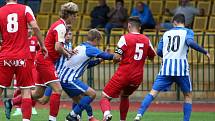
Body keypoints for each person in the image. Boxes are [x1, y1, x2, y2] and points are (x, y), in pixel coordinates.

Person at [3, 2, 78, 121]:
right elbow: (57, 47)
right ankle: (52, 120)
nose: (76, 17)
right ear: (69, 14)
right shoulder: (61, 27)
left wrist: (68, 51)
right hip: (45, 60)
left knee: (38, 94)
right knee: (57, 89)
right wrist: (68, 54)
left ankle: (11, 102)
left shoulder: (59, 25)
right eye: (75, 15)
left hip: (40, 59)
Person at [134, 14, 210, 121]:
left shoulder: (166, 34)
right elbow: (190, 42)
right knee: (187, 95)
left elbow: (159, 51)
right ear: (184, 22)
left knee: (153, 92)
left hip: (166, 68)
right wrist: (204, 51)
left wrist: (169, 56)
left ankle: (139, 114)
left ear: (174, 22)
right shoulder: (188, 31)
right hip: (181, 70)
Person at [100, 16, 156, 121]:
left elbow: (117, 57)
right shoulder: (146, 40)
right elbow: (152, 56)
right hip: (137, 77)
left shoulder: (125, 38)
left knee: (104, 97)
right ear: (140, 27)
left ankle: (107, 114)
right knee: (125, 96)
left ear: (129, 26)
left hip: (124, 74)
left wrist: (114, 60)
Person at [0, 0, 47, 121]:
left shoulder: (0, 11)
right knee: (26, 92)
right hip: (23, 56)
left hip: (6, 56)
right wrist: (42, 45)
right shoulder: (25, 8)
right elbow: (35, 26)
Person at [56, 29, 115, 121]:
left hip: (63, 78)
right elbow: (106, 56)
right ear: (95, 39)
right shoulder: (90, 48)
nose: (98, 43)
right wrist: (115, 56)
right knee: (92, 94)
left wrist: (100, 60)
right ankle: (72, 116)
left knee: (80, 100)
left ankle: (87, 117)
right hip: (69, 79)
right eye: (99, 41)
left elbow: (87, 65)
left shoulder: (81, 46)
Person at [12, 26, 39, 116]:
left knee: (32, 88)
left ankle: (33, 107)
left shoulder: (35, 40)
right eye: (27, 28)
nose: (29, 30)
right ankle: (18, 109)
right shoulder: (19, 40)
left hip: (32, 69)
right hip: (20, 67)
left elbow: (40, 51)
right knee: (18, 88)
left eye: (31, 28)